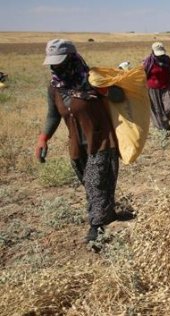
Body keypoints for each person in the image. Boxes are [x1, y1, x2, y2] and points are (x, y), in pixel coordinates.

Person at [35, 39, 120, 243]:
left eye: (60, 62)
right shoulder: (54, 88)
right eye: (53, 63)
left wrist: (105, 90)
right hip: (76, 144)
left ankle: (96, 227)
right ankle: (107, 214)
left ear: (72, 59)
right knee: (90, 183)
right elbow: (54, 116)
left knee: (94, 181)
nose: (56, 67)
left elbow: (120, 96)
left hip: (101, 139)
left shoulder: (92, 79)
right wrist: (43, 139)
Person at [143, 42, 170, 131]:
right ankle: (163, 128)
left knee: (168, 108)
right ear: (152, 51)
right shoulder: (148, 61)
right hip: (152, 89)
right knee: (157, 109)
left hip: (165, 87)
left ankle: (165, 123)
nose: (160, 56)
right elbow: (142, 74)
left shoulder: (167, 59)